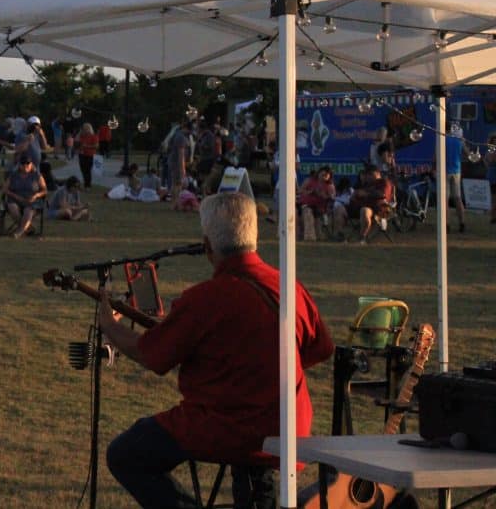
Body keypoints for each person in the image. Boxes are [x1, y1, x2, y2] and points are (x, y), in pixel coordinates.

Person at [98, 192, 334, 509]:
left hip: (231, 425)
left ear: (207, 245)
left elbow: (151, 355)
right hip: (288, 425)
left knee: (126, 453)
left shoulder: (207, 297)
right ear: (254, 238)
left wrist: (110, 328)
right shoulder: (288, 285)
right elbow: (321, 348)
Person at [343, 165, 396, 244]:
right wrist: (355, 195)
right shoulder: (367, 184)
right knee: (339, 208)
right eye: (367, 174)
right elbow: (358, 195)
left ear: (377, 173)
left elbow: (382, 194)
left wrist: (366, 194)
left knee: (365, 211)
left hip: (380, 209)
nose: (368, 176)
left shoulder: (384, 182)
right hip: (362, 207)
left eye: (370, 174)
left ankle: (362, 238)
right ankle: (340, 235)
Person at [3, 153, 48, 238]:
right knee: (12, 207)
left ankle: (19, 232)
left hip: (32, 200)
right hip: (15, 198)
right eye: (23, 163)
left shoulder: (36, 175)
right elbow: (5, 189)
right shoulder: (13, 175)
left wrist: (36, 195)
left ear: (31, 164)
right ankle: (28, 228)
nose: (25, 165)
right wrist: (16, 196)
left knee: (28, 210)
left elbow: (45, 190)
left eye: (28, 163)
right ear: (19, 165)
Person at [298, 166, 336, 242]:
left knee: (317, 215)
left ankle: (319, 235)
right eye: (323, 174)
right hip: (306, 204)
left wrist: (323, 195)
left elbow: (332, 197)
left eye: (327, 175)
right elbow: (300, 191)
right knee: (308, 212)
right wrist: (311, 192)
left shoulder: (330, 186)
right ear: (319, 173)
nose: (324, 176)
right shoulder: (310, 180)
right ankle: (310, 237)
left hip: (321, 207)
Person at [446, 125, 467, 233]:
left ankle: (447, 225)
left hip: (445, 171)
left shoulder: (443, 139)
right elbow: (467, 154)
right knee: (458, 198)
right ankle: (462, 223)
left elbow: (436, 156)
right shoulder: (460, 140)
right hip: (457, 171)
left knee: (445, 201)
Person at [76, 123, 100, 189]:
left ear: (89, 129)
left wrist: (87, 146)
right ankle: (86, 184)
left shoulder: (93, 136)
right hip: (81, 154)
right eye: (83, 128)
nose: (85, 130)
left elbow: (96, 146)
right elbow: (76, 141)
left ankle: (88, 185)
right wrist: (79, 132)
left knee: (87, 171)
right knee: (83, 170)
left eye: (86, 128)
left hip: (90, 155)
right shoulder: (81, 136)